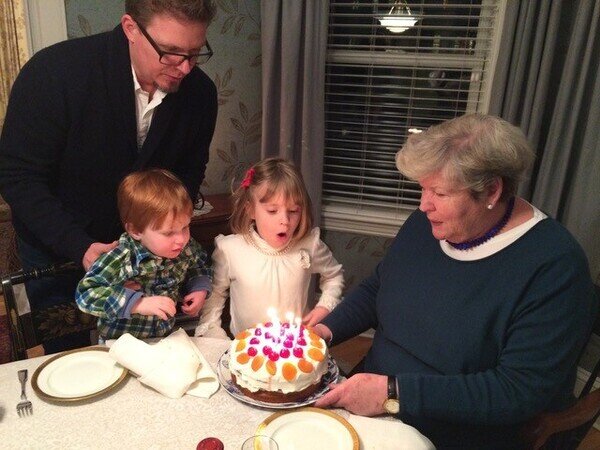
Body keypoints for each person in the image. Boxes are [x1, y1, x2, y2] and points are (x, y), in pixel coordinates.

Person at [313, 114, 599, 449]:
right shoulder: (427, 225)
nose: (424, 205)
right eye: (423, 188)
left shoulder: (554, 267)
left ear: (492, 190)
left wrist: (393, 394)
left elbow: (518, 389)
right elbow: (380, 285)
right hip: (371, 400)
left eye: (439, 192)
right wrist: (324, 332)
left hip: (454, 432)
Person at [0, 0, 217, 352]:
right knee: (70, 358)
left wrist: (166, 233)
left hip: (150, 256)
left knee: (147, 351)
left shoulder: (200, 94)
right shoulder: (54, 74)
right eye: (171, 52)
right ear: (131, 28)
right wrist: (78, 246)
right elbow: (19, 177)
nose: (185, 68)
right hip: (59, 247)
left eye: (194, 53)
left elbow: (189, 174)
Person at [195, 157, 344, 338]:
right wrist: (212, 331)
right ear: (250, 210)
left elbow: (334, 276)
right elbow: (216, 294)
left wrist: (324, 306)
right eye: (272, 211)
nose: (285, 221)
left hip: (293, 345)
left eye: (293, 211)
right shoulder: (230, 249)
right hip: (247, 349)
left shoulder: (310, 245)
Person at [76, 169, 211, 341]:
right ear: (135, 230)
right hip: (119, 343)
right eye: (169, 233)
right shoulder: (122, 256)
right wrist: (136, 303)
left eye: (185, 227)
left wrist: (199, 287)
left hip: (163, 338)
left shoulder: (186, 247)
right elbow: (86, 294)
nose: (181, 239)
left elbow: (199, 265)